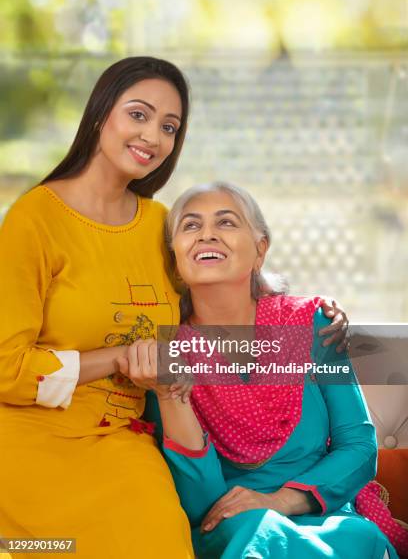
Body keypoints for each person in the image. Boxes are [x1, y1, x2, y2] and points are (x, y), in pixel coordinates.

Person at [0, 58, 346, 559]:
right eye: (138, 115)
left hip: (125, 439)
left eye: (169, 127)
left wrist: (313, 309)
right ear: (101, 115)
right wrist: (117, 359)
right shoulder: (33, 220)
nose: (153, 137)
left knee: (162, 542)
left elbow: (217, 294)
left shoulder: (159, 224)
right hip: (31, 441)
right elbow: (5, 368)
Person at [120, 182, 399, 559]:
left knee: (354, 539)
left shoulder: (313, 324)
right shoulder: (165, 351)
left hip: (327, 522)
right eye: (190, 225)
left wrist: (281, 501)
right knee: (254, 529)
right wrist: (170, 394)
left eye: (226, 222)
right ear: (175, 258)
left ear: (260, 250)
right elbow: (203, 506)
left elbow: (359, 447)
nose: (207, 234)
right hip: (233, 532)